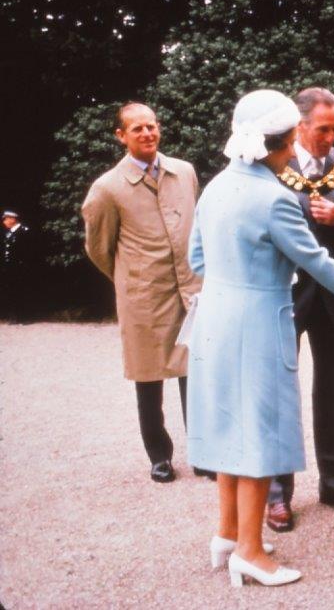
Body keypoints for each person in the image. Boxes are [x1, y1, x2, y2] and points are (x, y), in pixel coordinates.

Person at [186, 89, 334, 587]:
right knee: (260, 431)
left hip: (214, 317)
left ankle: (228, 534)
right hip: (257, 319)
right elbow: (316, 262)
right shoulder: (274, 196)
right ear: (282, 143)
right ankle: (252, 553)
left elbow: (197, 259)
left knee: (231, 428)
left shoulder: (216, 186)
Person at [266, 87, 334, 533]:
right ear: (301, 126)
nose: (331, 136)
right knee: (280, 393)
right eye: (322, 128)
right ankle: (277, 495)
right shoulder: (274, 166)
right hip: (285, 293)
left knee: (333, 391)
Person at [81, 103, 210, 483]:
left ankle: (204, 452)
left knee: (196, 374)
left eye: (151, 126)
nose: (147, 134)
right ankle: (159, 455)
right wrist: (129, 278)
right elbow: (99, 248)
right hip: (144, 295)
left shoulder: (184, 172)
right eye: (137, 129)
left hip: (190, 289)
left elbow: (197, 225)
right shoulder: (107, 188)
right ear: (120, 136)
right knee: (148, 378)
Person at [2, 210, 34, 323]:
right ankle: (14, 317)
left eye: (6, 219)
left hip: (21, 267)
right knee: (12, 291)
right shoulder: (9, 233)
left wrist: (24, 266)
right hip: (11, 267)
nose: (4, 221)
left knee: (22, 291)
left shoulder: (24, 231)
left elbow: (28, 252)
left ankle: (23, 317)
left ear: (13, 219)